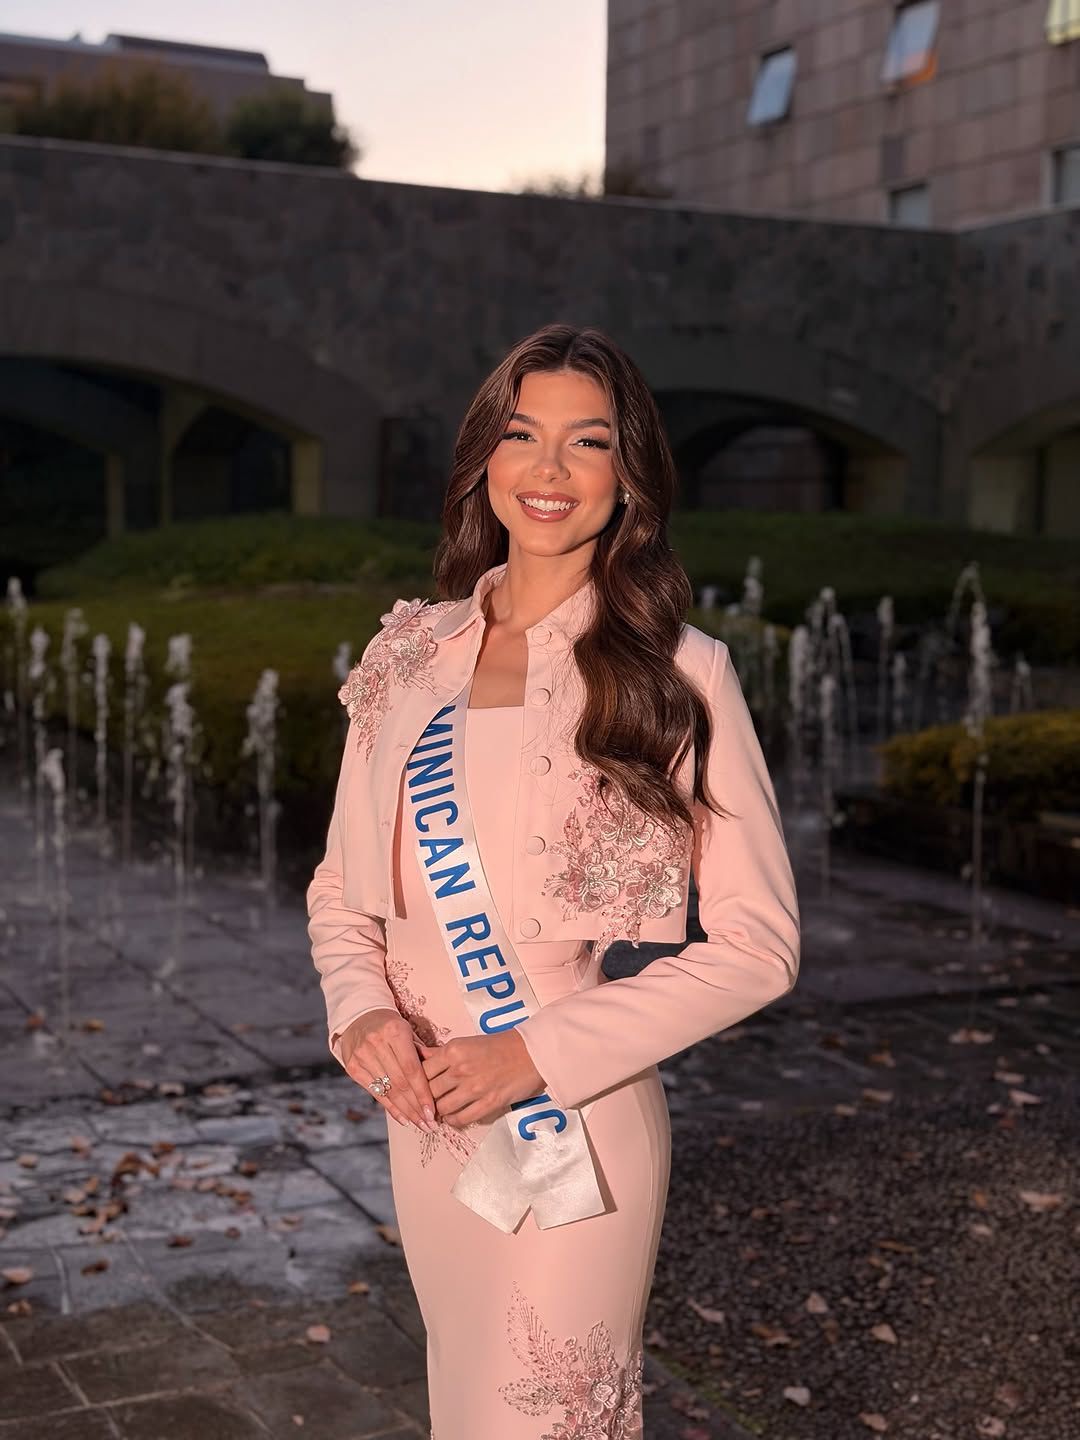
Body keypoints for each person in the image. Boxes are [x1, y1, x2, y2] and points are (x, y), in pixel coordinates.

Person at [306, 322, 801, 1438]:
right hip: (426, 1118)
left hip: (570, 1129)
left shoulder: (679, 674)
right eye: (522, 434)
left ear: (628, 479)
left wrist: (532, 1053)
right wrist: (363, 1010)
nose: (548, 470)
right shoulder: (405, 657)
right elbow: (340, 891)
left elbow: (760, 947)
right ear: (485, 455)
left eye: (587, 443)